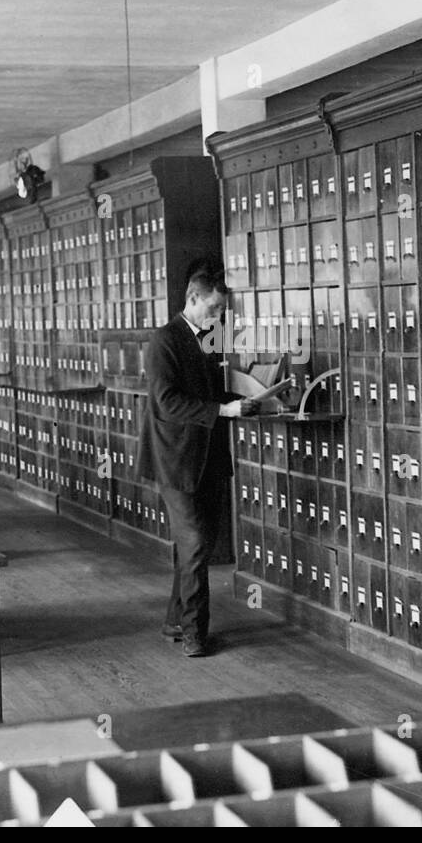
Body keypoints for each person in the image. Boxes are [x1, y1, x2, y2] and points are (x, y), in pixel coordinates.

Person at [137, 269, 257, 657]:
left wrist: (250, 395)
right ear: (193, 298)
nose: (219, 316)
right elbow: (167, 402)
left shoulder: (206, 339)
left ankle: (175, 619)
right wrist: (224, 409)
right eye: (215, 307)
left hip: (207, 458)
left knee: (194, 548)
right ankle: (193, 633)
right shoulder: (163, 340)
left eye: (223, 309)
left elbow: (209, 392)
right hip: (177, 460)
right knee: (194, 545)